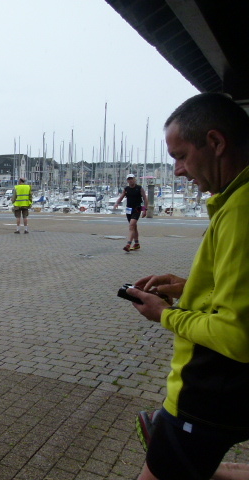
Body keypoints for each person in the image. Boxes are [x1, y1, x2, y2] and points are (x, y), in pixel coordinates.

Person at [125, 93, 249, 480]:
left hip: (209, 393)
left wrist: (166, 314)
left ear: (215, 142)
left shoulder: (241, 210)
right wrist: (188, 286)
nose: (178, 171)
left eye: (180, 156)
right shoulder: (235, 200)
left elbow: (237, 334)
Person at [114, 173, 149, 251]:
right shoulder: (126, 189)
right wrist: (117, 203)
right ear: (127, 180)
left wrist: (145, 210)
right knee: (134, 227)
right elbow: (121, 197)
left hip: (137, 208)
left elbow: (145, 198)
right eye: (129, 179)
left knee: (131, 225)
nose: (130, 180)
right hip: (129, 209)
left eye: (131, 179)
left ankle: (128, 244)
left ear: (134, 179)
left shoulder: (139, 188)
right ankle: (136, 244)